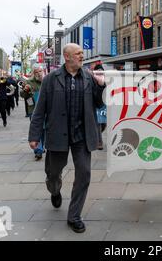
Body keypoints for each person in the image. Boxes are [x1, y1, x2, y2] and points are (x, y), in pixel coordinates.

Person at [28, 43, 105, 233]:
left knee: (84, 173)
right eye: (78, 54)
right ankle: (55, 190)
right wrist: (34, 135)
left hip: (82, 135)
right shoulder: (51, 79)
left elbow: (98, 103)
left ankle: (74, 216)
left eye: (82, 53)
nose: (82, 56)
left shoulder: (88, 76)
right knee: (53, 173)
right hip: (58, 134)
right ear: (67, 57)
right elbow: (40, 110)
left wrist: (101, 86)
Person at [21, 65, 45, 160]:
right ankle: (38, 150)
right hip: (33, 109)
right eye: (36, 72)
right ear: (33, 73)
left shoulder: (46, 81)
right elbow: (22, 95)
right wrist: (25, 90)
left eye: (40, 71)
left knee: (44, 129)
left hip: (46, 109)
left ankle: (42, 146)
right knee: (37, 128)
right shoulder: (29, 82)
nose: (38, 73)